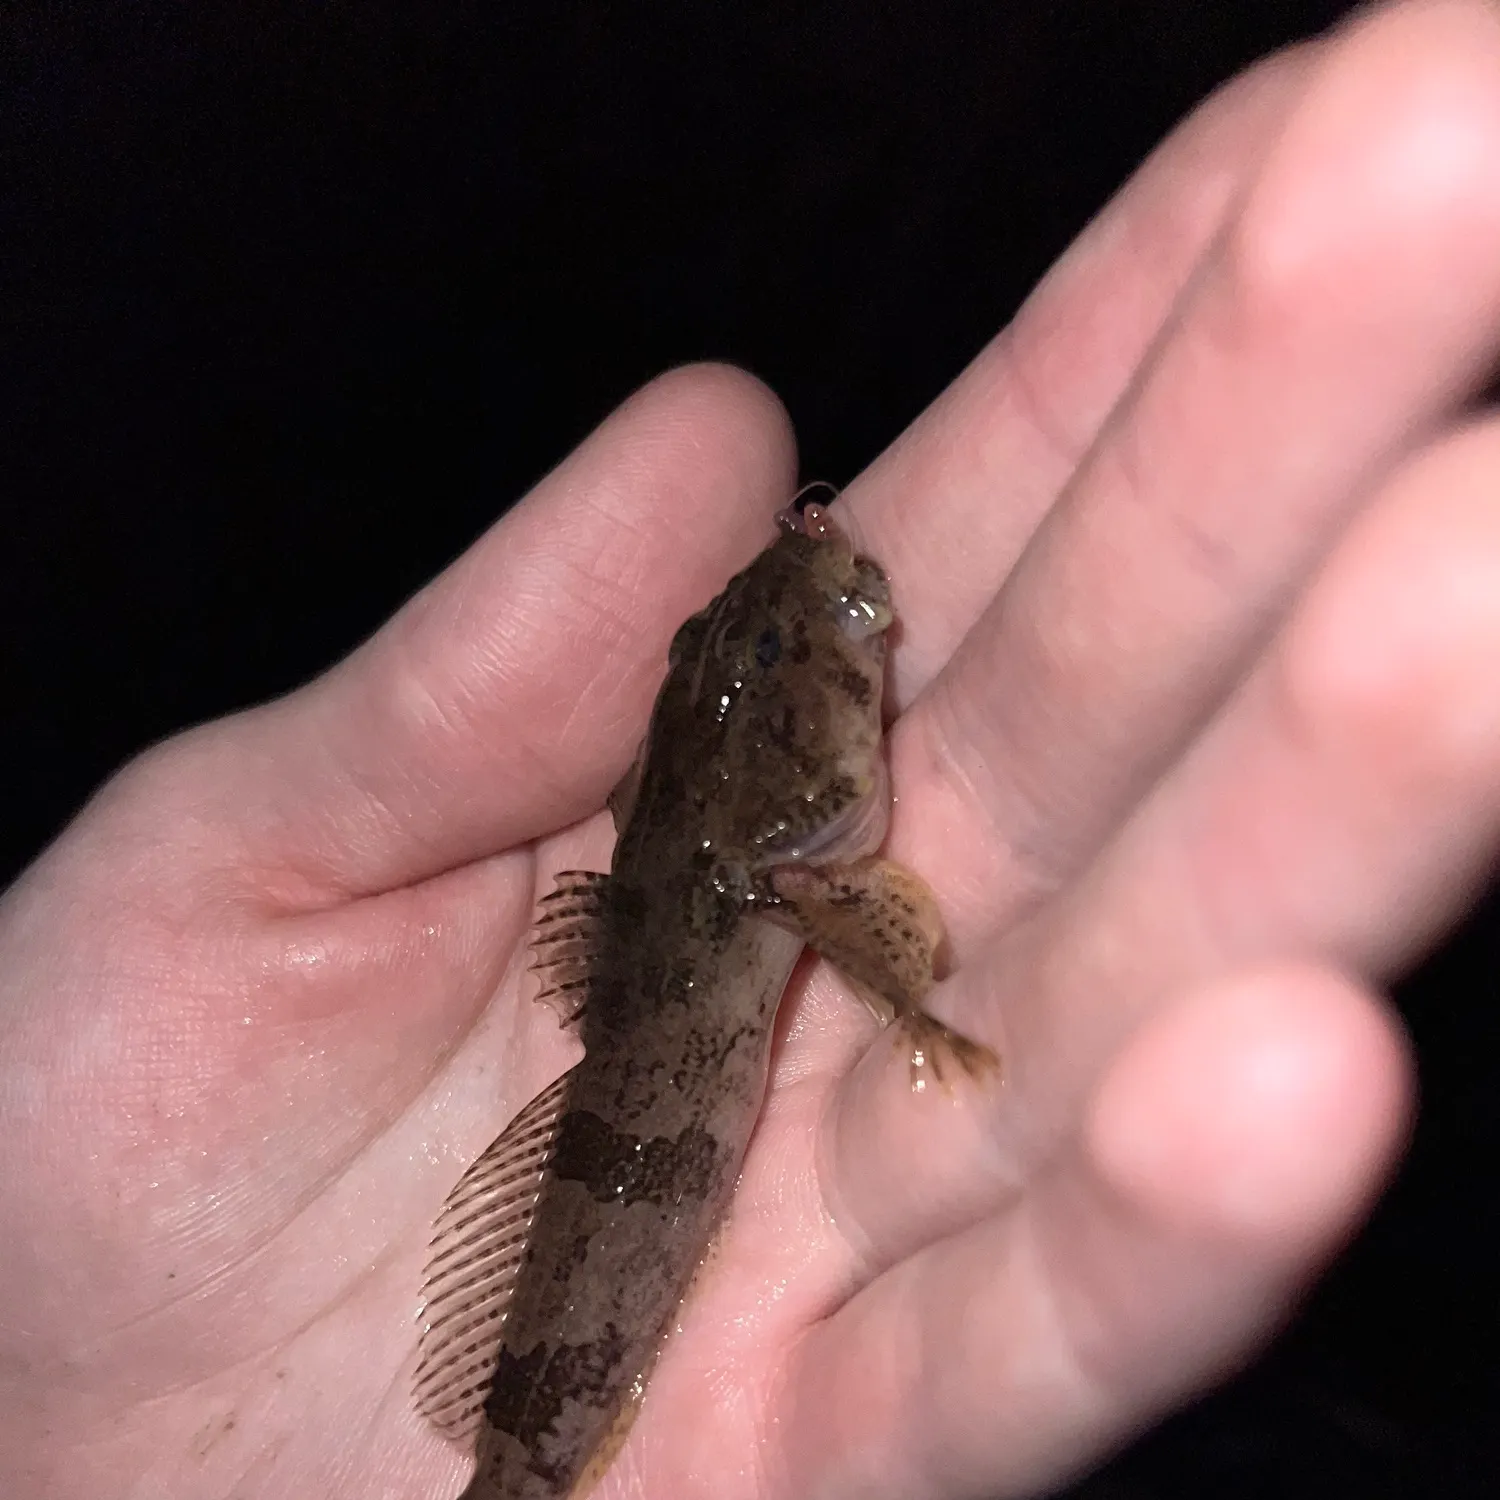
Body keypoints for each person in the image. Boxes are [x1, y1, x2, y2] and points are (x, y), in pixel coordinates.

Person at [4, 1, 1498, 1495]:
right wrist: (914, 1014)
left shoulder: (743, 854)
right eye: (774, 659)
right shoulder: (775, 864)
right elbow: (858, 929)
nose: (827, 617)